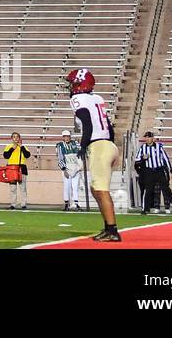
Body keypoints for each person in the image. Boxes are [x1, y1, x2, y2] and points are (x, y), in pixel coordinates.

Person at [67, 68, 121, 242]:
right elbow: (109, 126)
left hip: (98, 145)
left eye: (73, 83)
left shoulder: (78, 99)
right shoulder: (97, 98)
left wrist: (83, 146)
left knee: (101, 190)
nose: (71, 87)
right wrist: (110, 145)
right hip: (107, 144)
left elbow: (88, 123)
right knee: (95, 189)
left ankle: (112, 230)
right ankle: (108, 227)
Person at [135, 131, 172, 215]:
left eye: (149, 137)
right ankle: (144, 209)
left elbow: (166, 158)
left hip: (159, 170)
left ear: (152, 138)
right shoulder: (142, 148)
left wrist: (171, 170)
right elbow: (137, 159)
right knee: (148, 190)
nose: (147, 139)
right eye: (146, 137)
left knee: (167, 190)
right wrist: (142, 158)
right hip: (149, 171)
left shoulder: (159, 147)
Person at [2, 133, 32, 210]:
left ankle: (23, 204)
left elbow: (27, 155)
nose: (15, 139)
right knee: (13, 188)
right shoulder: (8, 147)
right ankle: (13, 204)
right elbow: (6, 156)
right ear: (11, 138)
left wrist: (21, 147)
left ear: (19, 138)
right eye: (14, 137)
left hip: (21, 168)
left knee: (23, 188)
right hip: (11, 168)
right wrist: (13, 148)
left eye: (17, 137)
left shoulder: (23, 147)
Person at [56, 129, 83, 210]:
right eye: (65, 136)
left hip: (76, 168)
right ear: (63, 137)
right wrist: (64, 170)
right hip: (67, 168)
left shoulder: (76, 143)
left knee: (75, 187)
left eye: (68, 136)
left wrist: (80, 166)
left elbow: (80, 154)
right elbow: (60, 157)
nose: (67, 138)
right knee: (66, 186)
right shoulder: (60, 145)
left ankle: (76, 203)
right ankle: (66, 203)